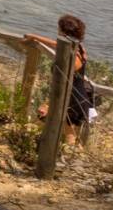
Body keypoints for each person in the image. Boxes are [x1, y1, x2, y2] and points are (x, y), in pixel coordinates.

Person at [29, 14, 99, 144]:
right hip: (78, 97)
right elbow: (57, 44)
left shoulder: (73, 58)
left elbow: (64, 82)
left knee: (69, 136)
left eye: (59, 28)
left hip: (71, 99)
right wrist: (35, 37)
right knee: (58, 127)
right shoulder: (79, 48)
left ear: (64, 31)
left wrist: (48, 104)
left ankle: (64, 158)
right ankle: (49, 148)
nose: (57, 30)